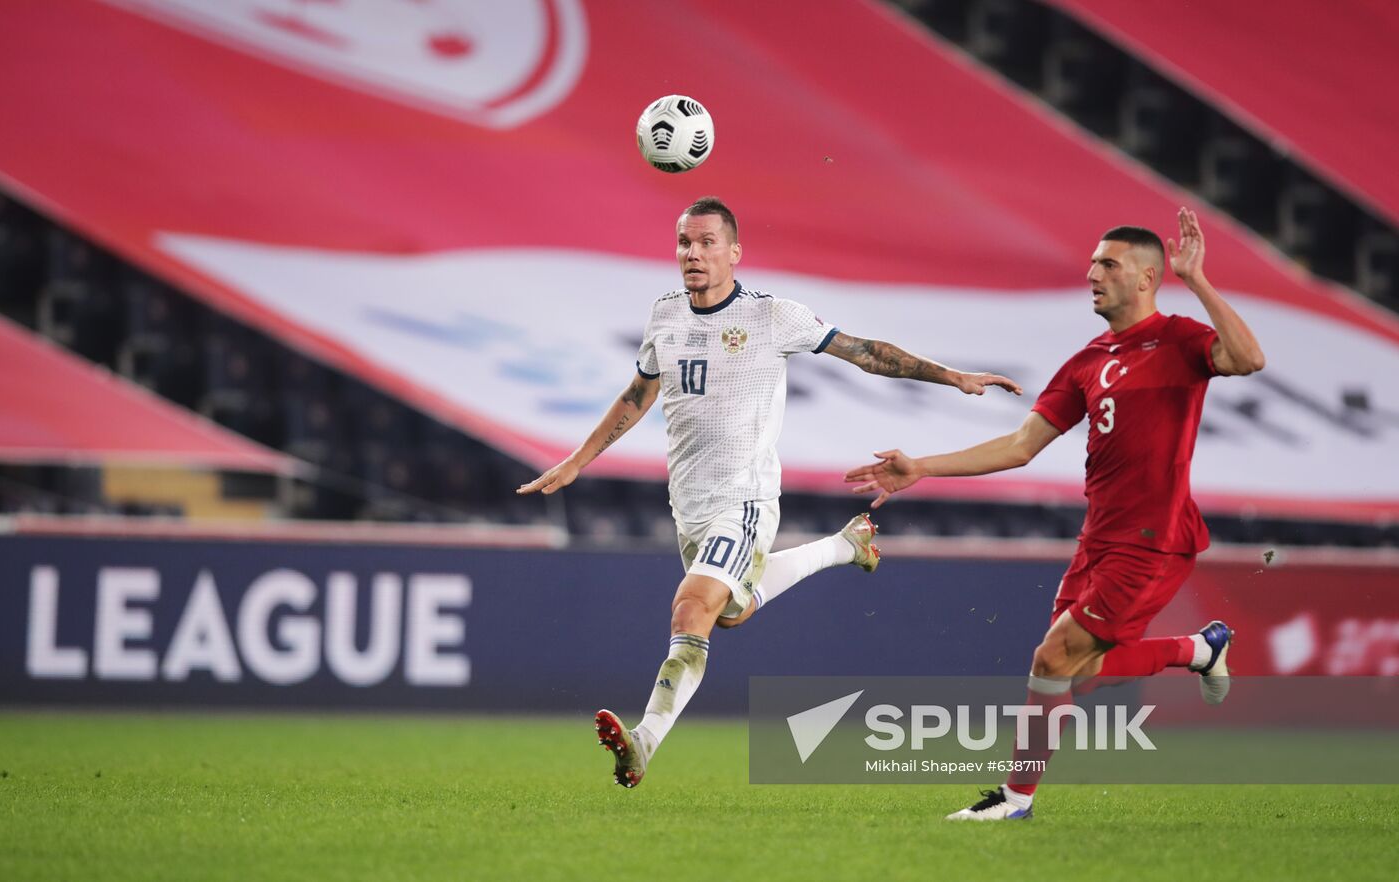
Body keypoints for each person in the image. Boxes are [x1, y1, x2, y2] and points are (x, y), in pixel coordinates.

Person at [518, 196, 1023, 787]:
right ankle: (845, 545)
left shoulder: (770, 316)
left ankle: (644, 741)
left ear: (735, 252)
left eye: (707, 242)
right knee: (726, 613)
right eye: (685, 242)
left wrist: (951, 375)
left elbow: (866, 353)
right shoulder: (664, 316)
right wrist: (580, 459)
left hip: (746, 499)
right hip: (691, 504)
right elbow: (639, 392)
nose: (693, 254)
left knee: (691, 606)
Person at [845, 208, 1265, 820]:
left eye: (1109, 263)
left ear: (1148, 278)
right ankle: (1197, 650)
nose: (1092, 271)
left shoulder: (1179, 339)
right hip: (1097, 537)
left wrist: (1197, 280)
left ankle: (1014, 802)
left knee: (1051, 661)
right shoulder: (1087, 360)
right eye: (1093, 260)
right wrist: (924, 467)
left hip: (1152, 539)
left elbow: (1249, 359)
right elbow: (1021, 446)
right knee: (1075, 674)